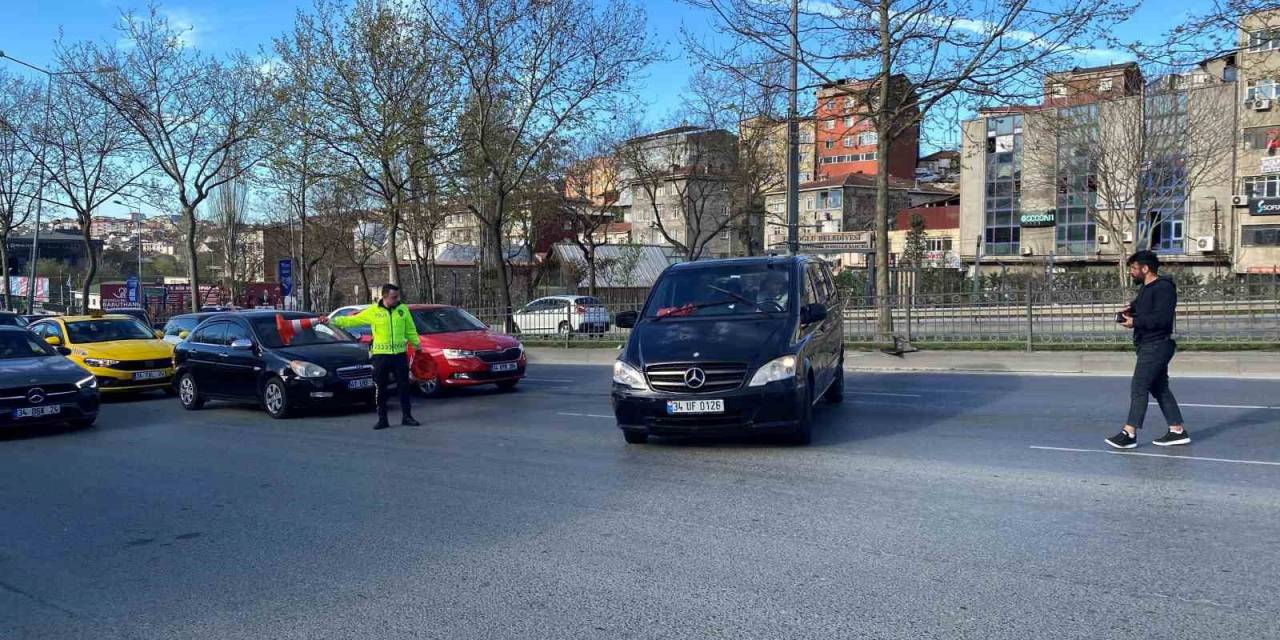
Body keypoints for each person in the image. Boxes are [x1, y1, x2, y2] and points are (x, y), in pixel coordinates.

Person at [1106, 251, 1189, 449]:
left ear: (1145, 268)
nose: (1131, 273)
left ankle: (1129, 433)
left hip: (1157, 344)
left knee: (1139, 387)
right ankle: (1177, 430)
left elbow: (1162, 319)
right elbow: (1144, 309)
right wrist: (1130, 310)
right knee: (1159, 387)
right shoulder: (1147, 287)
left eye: (1134, 269)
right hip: (1148, 344)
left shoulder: (1164, 288)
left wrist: (1135, 321)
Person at [323, 284, 422, 430]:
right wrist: (332, 321)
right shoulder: (374, 311)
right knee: (381, 388)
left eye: (397, 297)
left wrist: (417, 346)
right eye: (393, 297)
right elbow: (353, 320)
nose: (396, 299)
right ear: (385, 296)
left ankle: (407, 417)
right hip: (381, 356)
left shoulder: (402, 309)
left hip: (399, 355)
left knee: (404, 387)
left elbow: (410, 329)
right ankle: (382, 419)